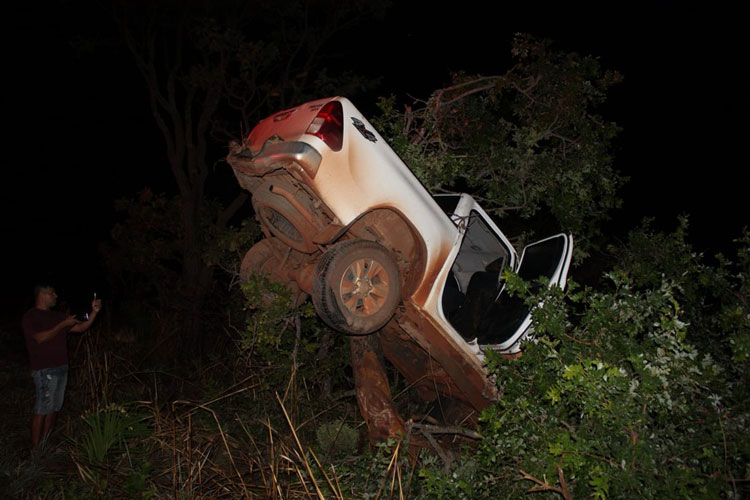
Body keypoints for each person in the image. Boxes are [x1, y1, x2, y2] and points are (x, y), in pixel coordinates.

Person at [22, 284, 102, 447]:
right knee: (42, 408)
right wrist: (62, 325)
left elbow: (80, 328)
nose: (56, 296)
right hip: (45, 369)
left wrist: (94, 312)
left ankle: (45, 444)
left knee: (54, 408)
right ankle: (36, 450)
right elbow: (39, 338)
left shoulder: (57, 316)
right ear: (42, 295)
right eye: (52, 293)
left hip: (61, 367)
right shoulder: (31, 316)